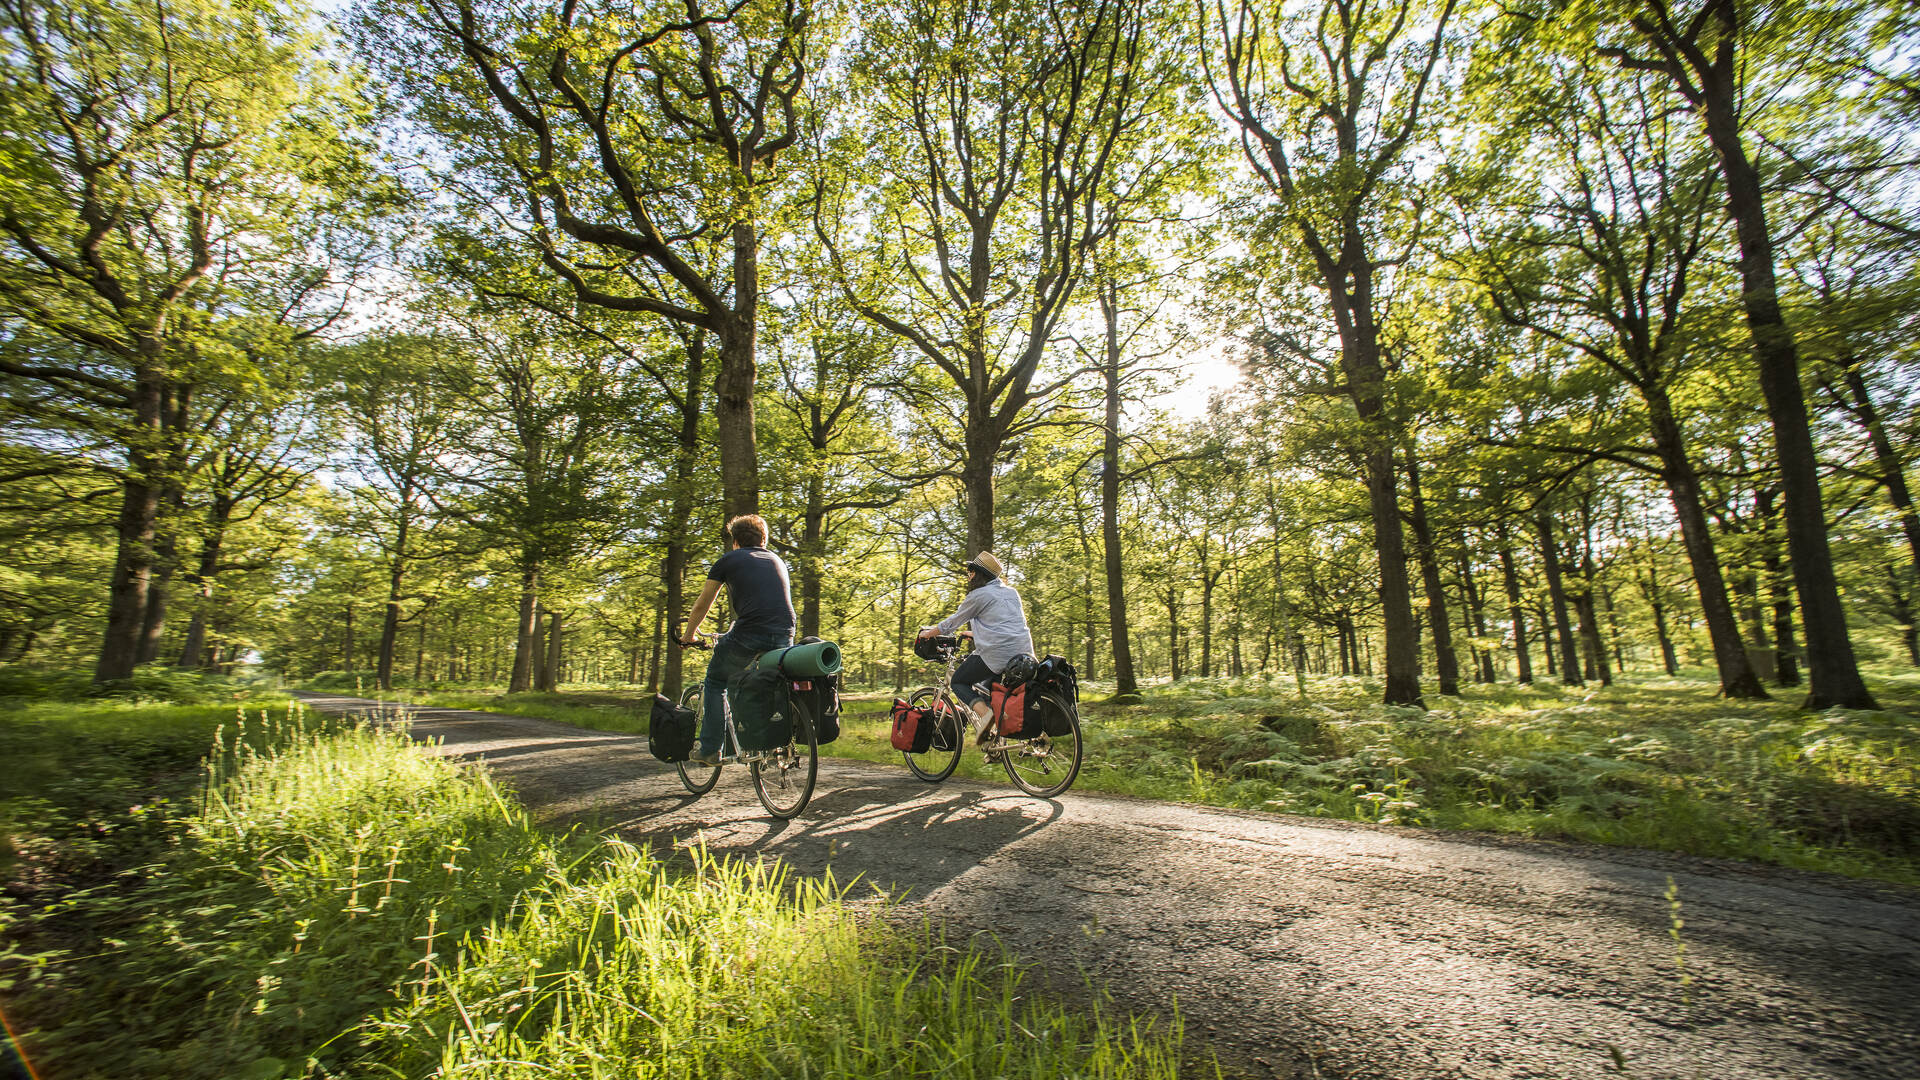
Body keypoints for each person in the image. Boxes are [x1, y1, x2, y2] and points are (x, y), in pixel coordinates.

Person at [679, 514, 795, 765]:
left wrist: (688, 635)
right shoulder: (777, 559)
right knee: (765, 683)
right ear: (763, 540)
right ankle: (772, 743)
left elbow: (702, 604)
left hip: (750, 632)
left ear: (735, 541)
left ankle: (710, 748)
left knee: (716, 681)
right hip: (785, 633)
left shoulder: (728, 560)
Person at [916, 551, 1034, 744]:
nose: (968, 575)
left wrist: (927, 633)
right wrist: (975, 634)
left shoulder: (978, 595)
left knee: (959, 682)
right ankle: (995, 740)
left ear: (979, 574)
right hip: (1024, 653)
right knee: (986, 689)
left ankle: (987, 716)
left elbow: (951, 623)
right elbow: (1005, 624)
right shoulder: (1012, 592)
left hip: (997, 654)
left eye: (970, 571)